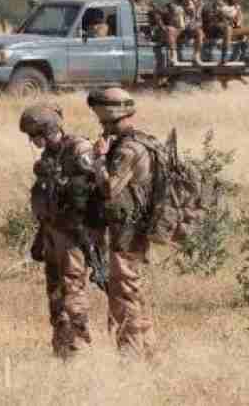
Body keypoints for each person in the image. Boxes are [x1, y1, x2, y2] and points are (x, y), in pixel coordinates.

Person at [19, 103, 97, 359]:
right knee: (55, 293)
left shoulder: (79, 149)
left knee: (73, 289)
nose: (32, 141)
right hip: (53, 232)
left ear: (47, 129)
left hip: (74, 233)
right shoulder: (49, 156)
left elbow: (94, 189)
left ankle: (80, 348)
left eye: (34, 135)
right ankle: (63, 350)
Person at [87, 88, 155, 359]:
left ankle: (130, 353)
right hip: (131, 227)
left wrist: (99, 158)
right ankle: (147, 349)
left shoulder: (127, 149)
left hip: (127, 231)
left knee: (124, 292)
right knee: (133, 290)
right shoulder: (138, 141)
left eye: (103, 122)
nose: (102, 127)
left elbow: (109, 188)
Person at [208, 0, 249, 65]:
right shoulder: (221, 3)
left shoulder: (237, 7)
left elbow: (238, 23)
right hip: (218, 29)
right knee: (228, 28)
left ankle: (247, 53)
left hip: (230, 30)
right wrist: (234, 14)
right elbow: (224, 13)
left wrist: (238, 20)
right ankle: (224, 56)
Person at [164, 0, 204, 66]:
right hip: (176, 28)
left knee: (199, 32)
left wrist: (192, 11)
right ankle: (173, 57)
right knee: (170, 30)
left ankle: (196, 56)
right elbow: (172, 14)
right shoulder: (171, 4)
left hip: (187, 27)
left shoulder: (189, 4)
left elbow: (194, 18)